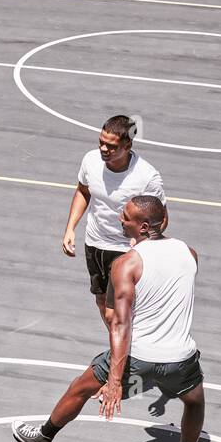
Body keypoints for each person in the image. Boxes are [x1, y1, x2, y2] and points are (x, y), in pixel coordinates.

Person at [15, 195, 205, 442]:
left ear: (142, 227)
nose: (120, 218)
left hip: (138, 359)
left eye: (125, 216)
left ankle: (43, 437)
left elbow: (120, 323)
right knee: (194, 403)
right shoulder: (189, 253)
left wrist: (116, 381)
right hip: (180, 360)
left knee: (81, 387)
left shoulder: (125, 264)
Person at [61, 115, 166, 328]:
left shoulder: (146, 177)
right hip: (94, 244)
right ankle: (120, 348)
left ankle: (124, 354)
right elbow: (83, 191)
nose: (103, 149)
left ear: (127, 145)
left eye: (111, 146)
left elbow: (161, 218)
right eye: (101, 142)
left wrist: (144, 244)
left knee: (115, 314)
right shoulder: (90, 161)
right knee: (101, 302)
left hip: (124, 250)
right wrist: (70, 228)